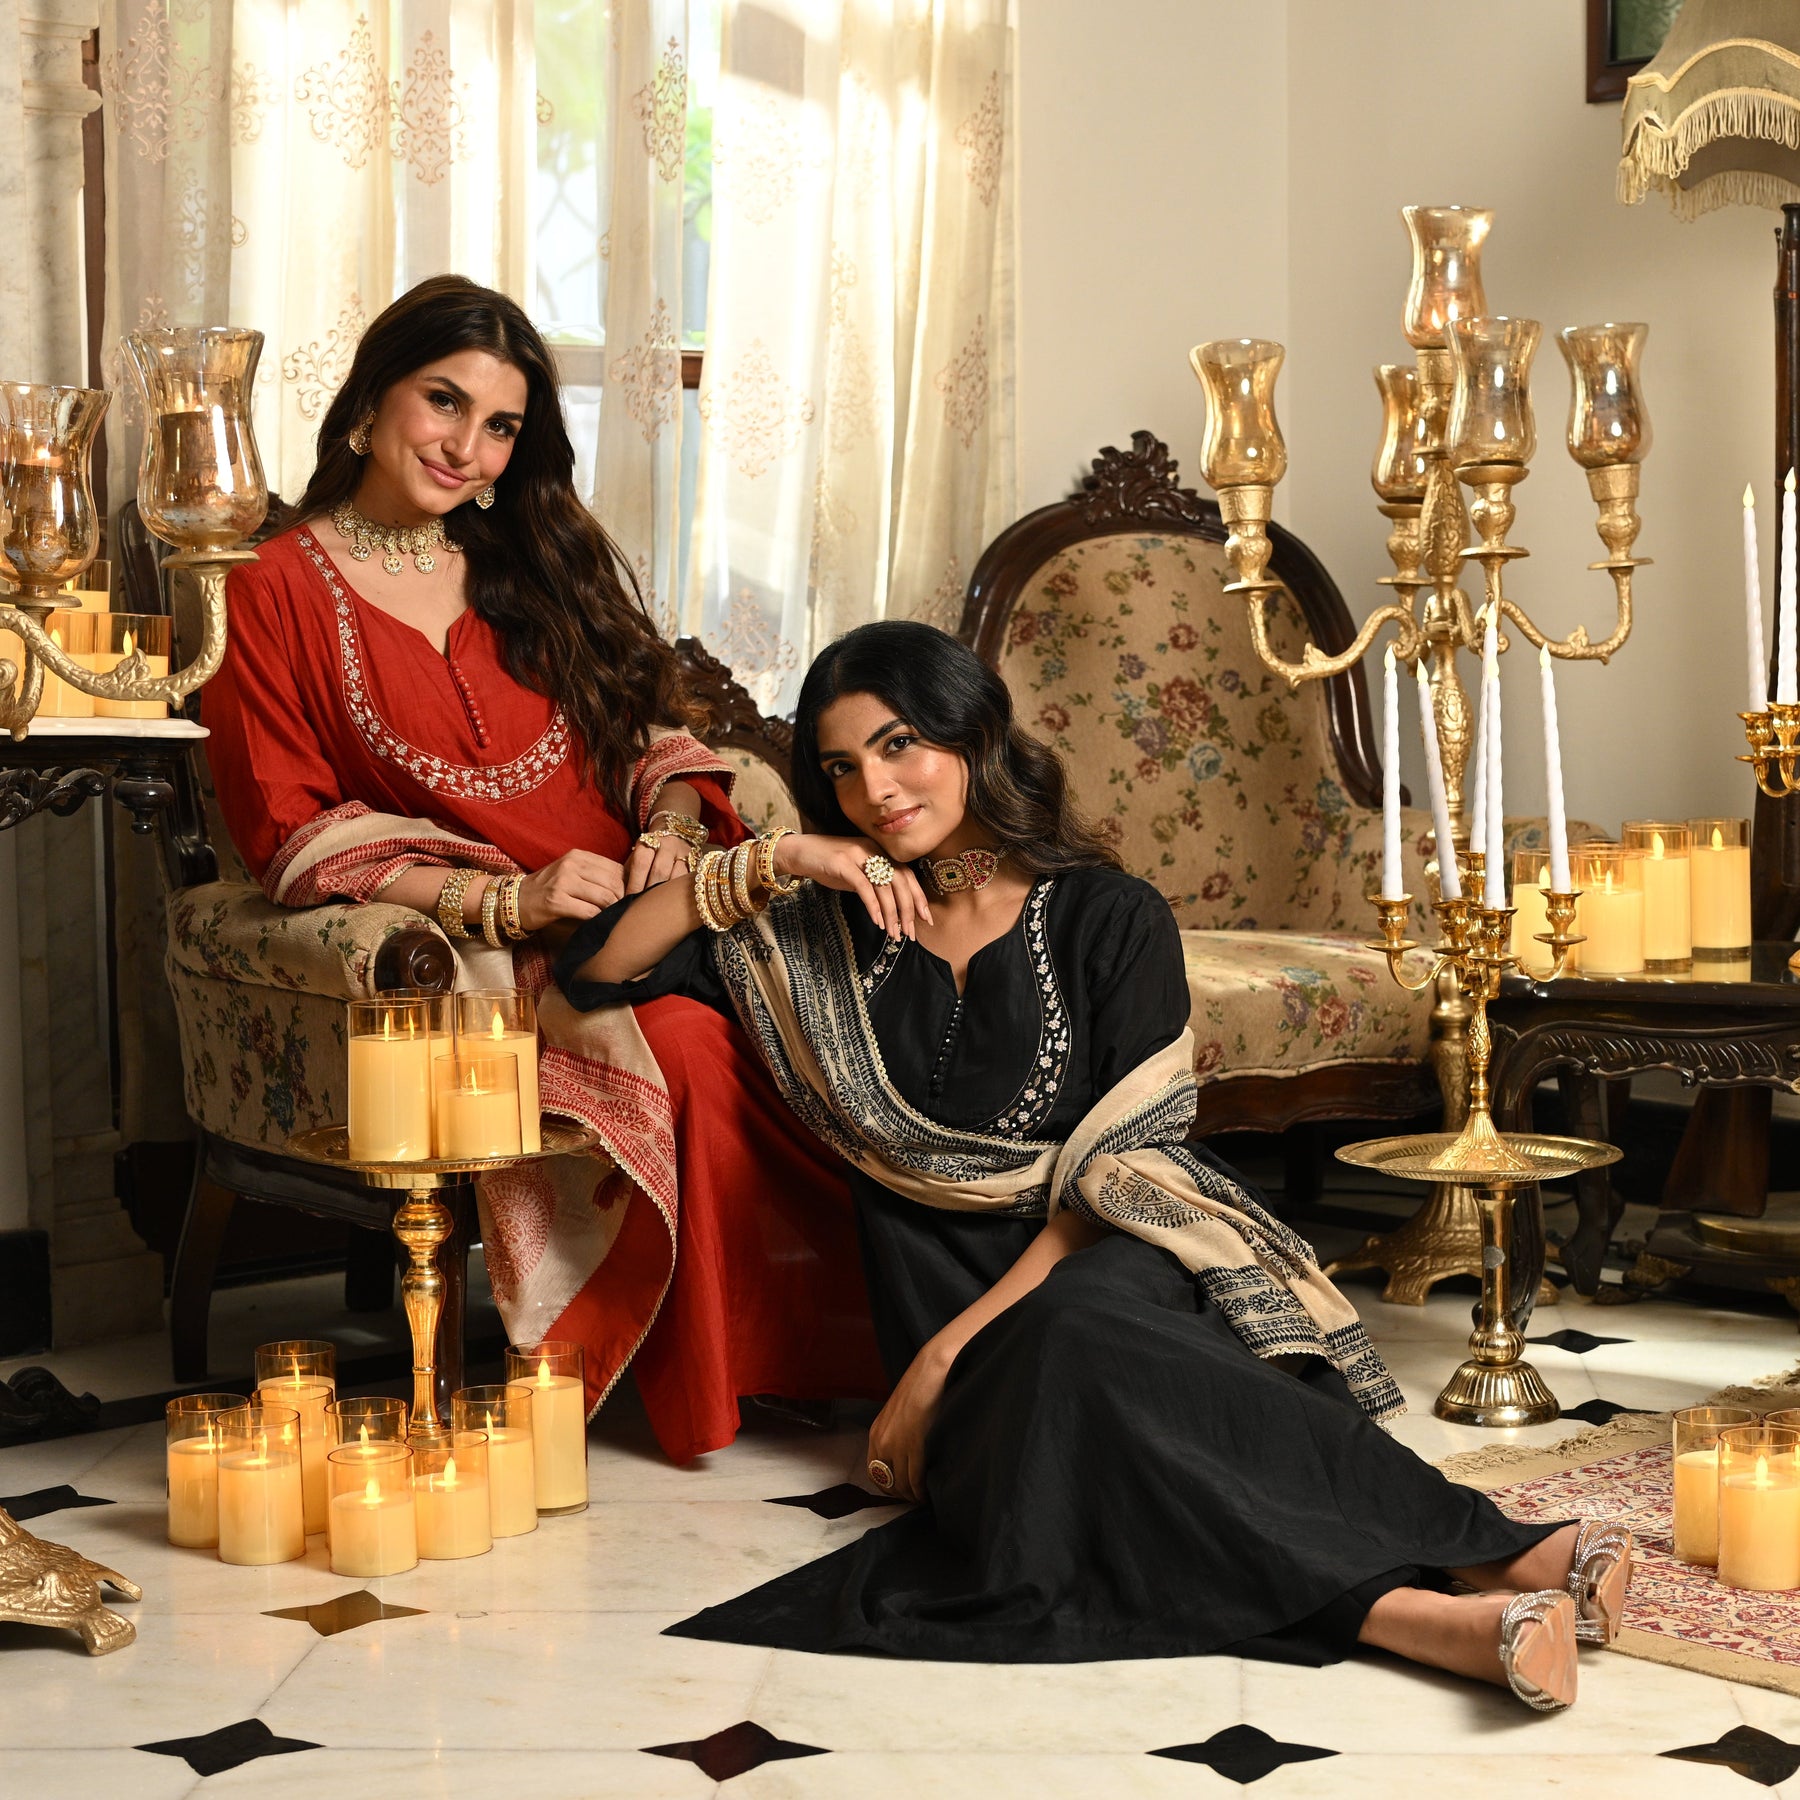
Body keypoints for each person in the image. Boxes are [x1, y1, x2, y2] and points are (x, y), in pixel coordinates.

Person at [555, 620, 1634, 1710]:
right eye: (839, 768)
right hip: (945, 1291)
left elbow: (1127, 1164)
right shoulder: (818, 935)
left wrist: (941, 1360)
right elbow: (595, 970)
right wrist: (781, 856)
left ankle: (1472, 1580)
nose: (874, 790)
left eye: (899, 744)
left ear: (971, 732)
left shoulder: (1109, 917)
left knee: (1074, 1342)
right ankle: (1449, 1596)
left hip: (1123, 1254)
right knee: (1078, 1453)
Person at [203, 275, 883, 1461]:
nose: (466, 447)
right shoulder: (271, 593)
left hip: (669, 914)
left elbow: (661, 742)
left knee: (859, 1019)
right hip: (505, 963)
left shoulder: (534, 560)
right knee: (687, 1049)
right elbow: (289, 834)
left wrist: (673, 827)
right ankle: (735, 1373)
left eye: (501, 426)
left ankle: (914, 1327)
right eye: (443, 402)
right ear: (371, 399)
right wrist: (503, 900)